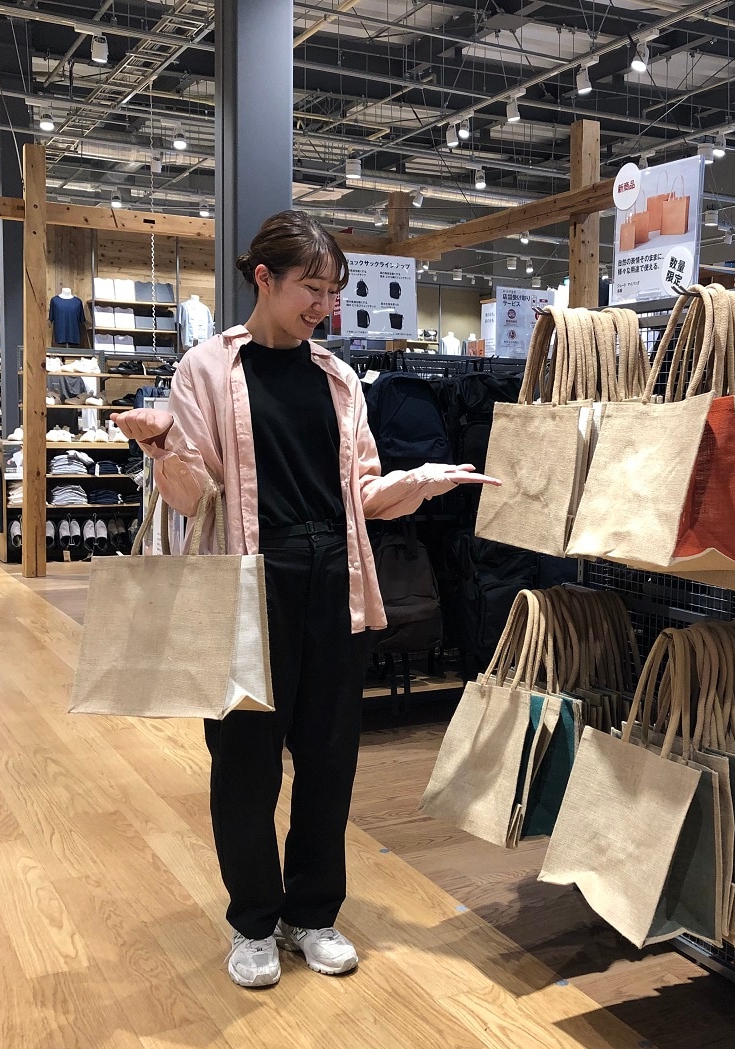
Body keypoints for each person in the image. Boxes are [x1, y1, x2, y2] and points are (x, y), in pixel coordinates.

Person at [114, 211, 499, 988]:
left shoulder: (338, 378)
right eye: (311, 289)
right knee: (245, 761)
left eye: (333, 292)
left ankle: (313, 913)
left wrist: (421, 482)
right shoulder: (207, 369)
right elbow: (194, 497)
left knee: (329, 759)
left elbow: (363, 491)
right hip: (250, 582)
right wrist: (162, 447)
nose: (324, 305)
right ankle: (254, 922)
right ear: (265, 279)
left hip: (336, 581)